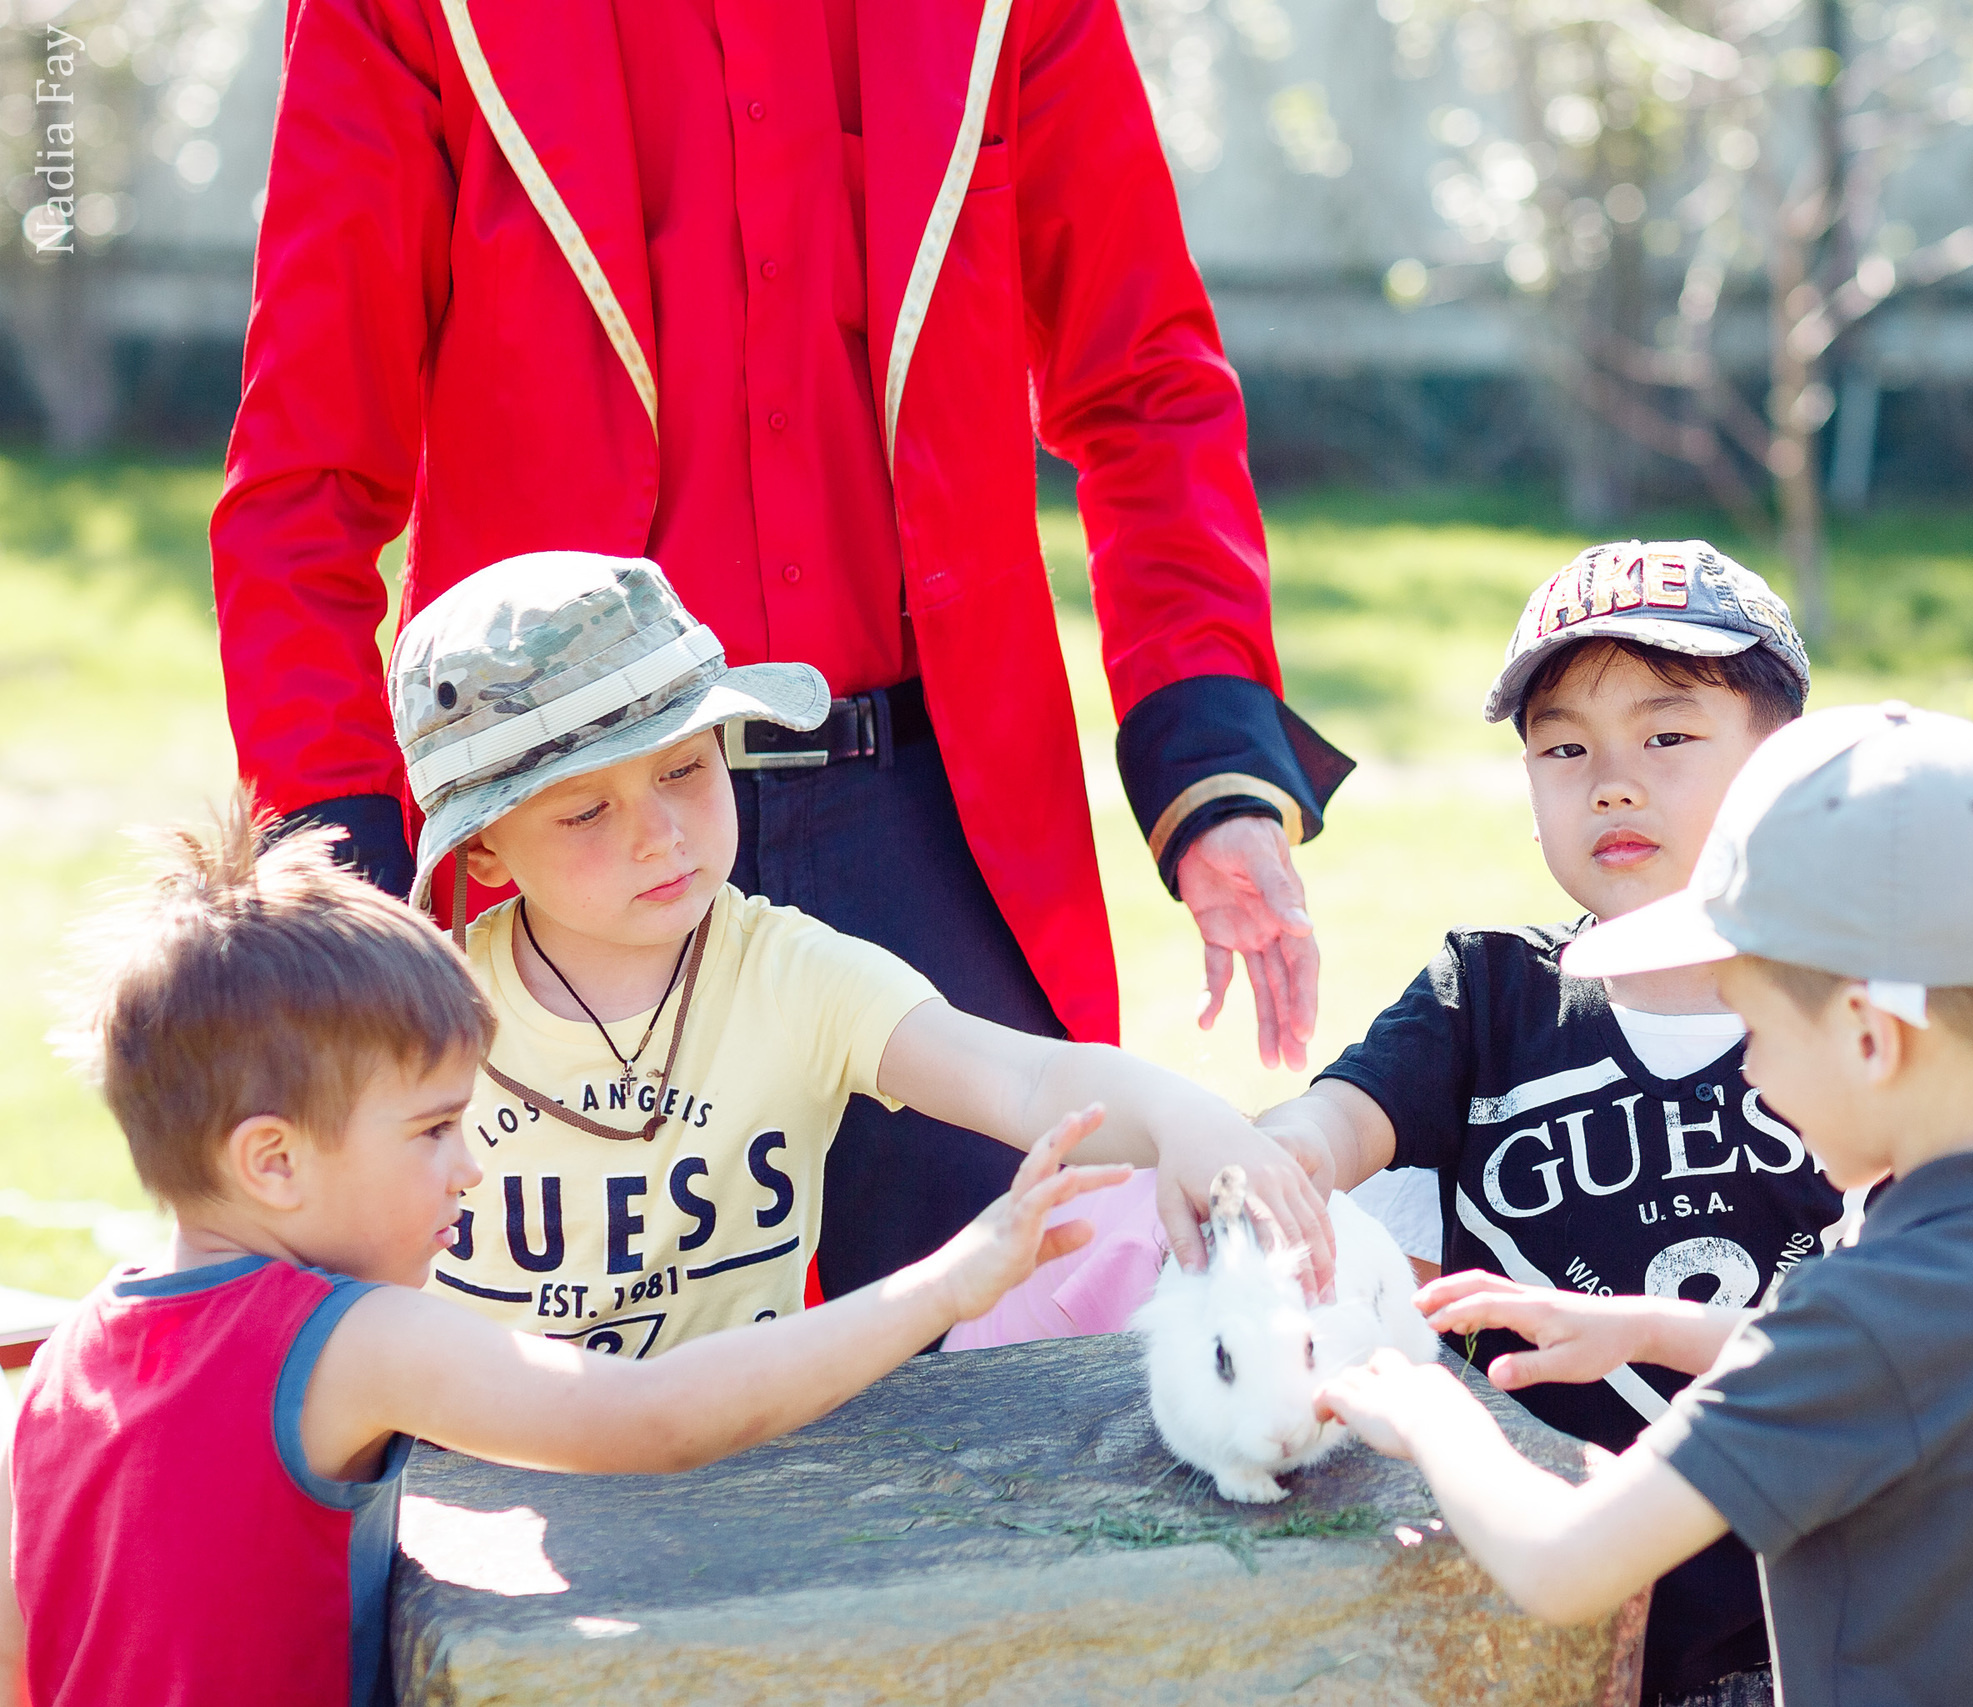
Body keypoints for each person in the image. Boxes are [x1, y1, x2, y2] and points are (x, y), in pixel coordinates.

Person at [209, 0, 1351, 1307]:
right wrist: (343, 887)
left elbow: (1147, 386)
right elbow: (306, 479)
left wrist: (1211, 763)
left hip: (930, 824)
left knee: (1005, 1405)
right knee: (523, 1438)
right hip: (555, 843)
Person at [0, 803, 1131, 1707]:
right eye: (435, 1130)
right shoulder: (350, 1339)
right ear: (274, 1163)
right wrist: (958, 1276)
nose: (468, 1169)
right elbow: (653, 1418)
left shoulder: (68, 1363)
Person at [1318, 704, 1973, 1707]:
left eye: (1755, 1029)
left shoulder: (1866, 1317)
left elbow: (1565, 1565)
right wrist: (1648, 1326)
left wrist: (1434, 1414)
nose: (1753, 1073)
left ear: (1869, 1038)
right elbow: (1916, 1379)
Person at [396, 552, 1333, 1351]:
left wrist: (1189, 1120)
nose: (661, 834)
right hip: (492, 1475)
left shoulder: (792, 973)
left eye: (685, 766)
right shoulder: (418, 1021)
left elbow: (1024, 1081)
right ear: (484, 847)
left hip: (754, 1467)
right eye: (588, 809)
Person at [1254, 540, 1844, 1706]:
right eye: (1564, 748)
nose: (1611, 783)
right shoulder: (1486, 995)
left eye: (1667, 738)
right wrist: (1276, 1156)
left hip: (1814, 1620)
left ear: (1785, 772)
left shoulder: (1854, 1014)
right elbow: (1341, 1120)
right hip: (1539, 1619)